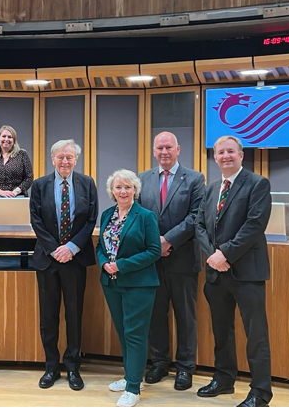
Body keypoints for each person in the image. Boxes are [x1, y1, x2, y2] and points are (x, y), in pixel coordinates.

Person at [195, 136, 272, 407]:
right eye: (220, 152)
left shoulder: (257, 183)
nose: (225, 156)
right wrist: (213, 257)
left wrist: (224, 253)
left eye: (230, 151)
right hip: (217, 274)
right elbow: (199, 226)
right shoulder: (211, 188)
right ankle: (224, 379)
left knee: (256, 335)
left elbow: (254, 225)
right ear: (214, 157)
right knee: (222, 331)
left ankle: (261, 393)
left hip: (247, 273)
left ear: (241, 154)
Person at [138, 132, 204, 390]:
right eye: (159, 148)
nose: (164, 152)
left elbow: (196, 216)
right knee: (156, 314)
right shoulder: (143, 179)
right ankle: (160, 363)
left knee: (185, 316)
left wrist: (168, 241)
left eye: (168, 147)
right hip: (152, 260)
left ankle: (186, 367)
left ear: (178, 149)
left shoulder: (195, 178)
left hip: (183, 259)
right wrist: (156, 243)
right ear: (154, 150)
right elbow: (139, 215)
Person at [29, 139, 97, 391]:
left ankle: (73, 367)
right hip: (48, 260)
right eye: (60, 157)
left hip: (75, 259)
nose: (65, 161)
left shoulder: (87, 183)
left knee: (73, 314)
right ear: (52, 159)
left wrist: (71, 248)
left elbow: (91, 220)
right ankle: (51, 366)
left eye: (69, 157)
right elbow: (36, 220)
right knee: (48, 317)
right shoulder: (39, 185)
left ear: (76, 159)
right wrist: (55, 249)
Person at [97, 169, 161, 408]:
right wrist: (104, 263)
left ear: (135, 189)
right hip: (111, 284)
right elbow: (101, 247)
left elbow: (154, 251)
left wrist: (120, 265)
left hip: (139, 284)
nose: (123, 191)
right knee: (124, 332)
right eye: (118, 187)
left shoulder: (145, 216)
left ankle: (133, 389)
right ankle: (131, 377)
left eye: (128, 187)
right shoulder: (106, 214)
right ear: (112, 191)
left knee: (135, 334)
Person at [0, 125, 34, 197]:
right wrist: (1, 192)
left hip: (17, 196)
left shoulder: (22, 154)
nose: (6, 139)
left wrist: (15, 192)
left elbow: (29, 177)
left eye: (10, 137)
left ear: (14, 140)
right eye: (3, 136)